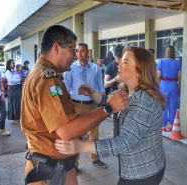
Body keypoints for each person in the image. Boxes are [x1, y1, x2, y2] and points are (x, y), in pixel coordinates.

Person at [20, 25, 128, 185]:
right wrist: (108, 108)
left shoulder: (42, 72)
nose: (76, 56)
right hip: (50, 172)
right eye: (73, 50)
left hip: (54, 167)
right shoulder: (47, 79)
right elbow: (66, 131)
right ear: (56, 47)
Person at [55, 47, 166, 185]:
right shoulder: (129, 91)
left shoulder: (143, 102)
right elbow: (113, 104)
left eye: (125, 62)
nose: (119, 64)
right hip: (133, 166)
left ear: (139, 71)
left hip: (142, 172)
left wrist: (81, 146)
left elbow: (124, 142)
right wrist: (92, 93)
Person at [64, 43, 107, 169]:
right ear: (75, 53)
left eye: (83, 51)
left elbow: (101, 86)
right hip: (77, 106)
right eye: (78, 51)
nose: (80, 53)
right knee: (77, 135)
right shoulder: (71, 69)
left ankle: (95, 158)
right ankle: (74, 163)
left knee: (95, 134)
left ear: (88, 52)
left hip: (93, 105)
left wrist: (103, 105)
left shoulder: (95, 69)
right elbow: (66, 87)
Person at [157, 46, 181, 132]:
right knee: (173, 106)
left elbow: (158, 76)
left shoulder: (161, 62)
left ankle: (163, 126)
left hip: (164, 85)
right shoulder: (178, 62)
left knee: (164, 106)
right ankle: (171, 125)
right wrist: (180, 87)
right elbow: (179, 77)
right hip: (174, 85)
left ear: (166, 52)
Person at [104, 44, 124, 137]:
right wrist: (115, 79)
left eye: (121, 58)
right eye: (117, 58)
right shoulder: (110, 67)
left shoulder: (126, 65)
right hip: (115, 96)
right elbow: (106, 83)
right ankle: (117, 142)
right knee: (116, 122)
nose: (120, 61)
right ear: (115, 56)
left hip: (127, 95)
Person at [5, 60, 23, 124]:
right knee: (13, 104)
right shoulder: (8, 72)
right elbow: (11, 80)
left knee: (18, 103)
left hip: (18, 88)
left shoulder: (14, 72)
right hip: (13, 89)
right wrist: (19, 80)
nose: (14, 64)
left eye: (14, 63)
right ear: (9, 64)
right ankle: (14, 119)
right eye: (13, 63)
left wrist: (20, 80)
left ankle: (18, 117)